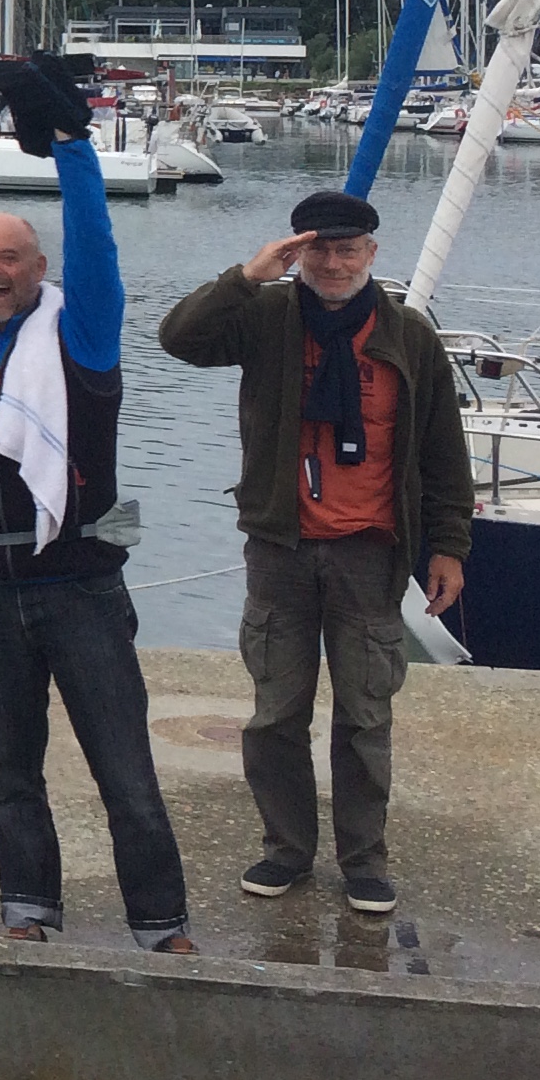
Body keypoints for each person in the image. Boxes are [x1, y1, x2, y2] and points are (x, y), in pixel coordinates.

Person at [0, 63, 193, 953]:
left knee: (126, 774)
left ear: (38, 268)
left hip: (80, 589)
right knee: (10, 775)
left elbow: (96, 244)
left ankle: (163, 927)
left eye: (10, 259)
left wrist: (73, 147)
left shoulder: (83, 334)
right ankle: (27, 912)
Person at [156, 188, 469, 916]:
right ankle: (286, 850)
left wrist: (449, 546)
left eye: (347, 250)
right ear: (296, 252)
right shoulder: (266, 318)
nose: (333, 264)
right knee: (275, 716)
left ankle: (364, 861)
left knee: (365, 717)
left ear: (371, 253)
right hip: (281, 549)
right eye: (317, 250)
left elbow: (443, 453)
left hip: (371, 552)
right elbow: (179, 339)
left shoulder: (410, 336)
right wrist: (248, 275)